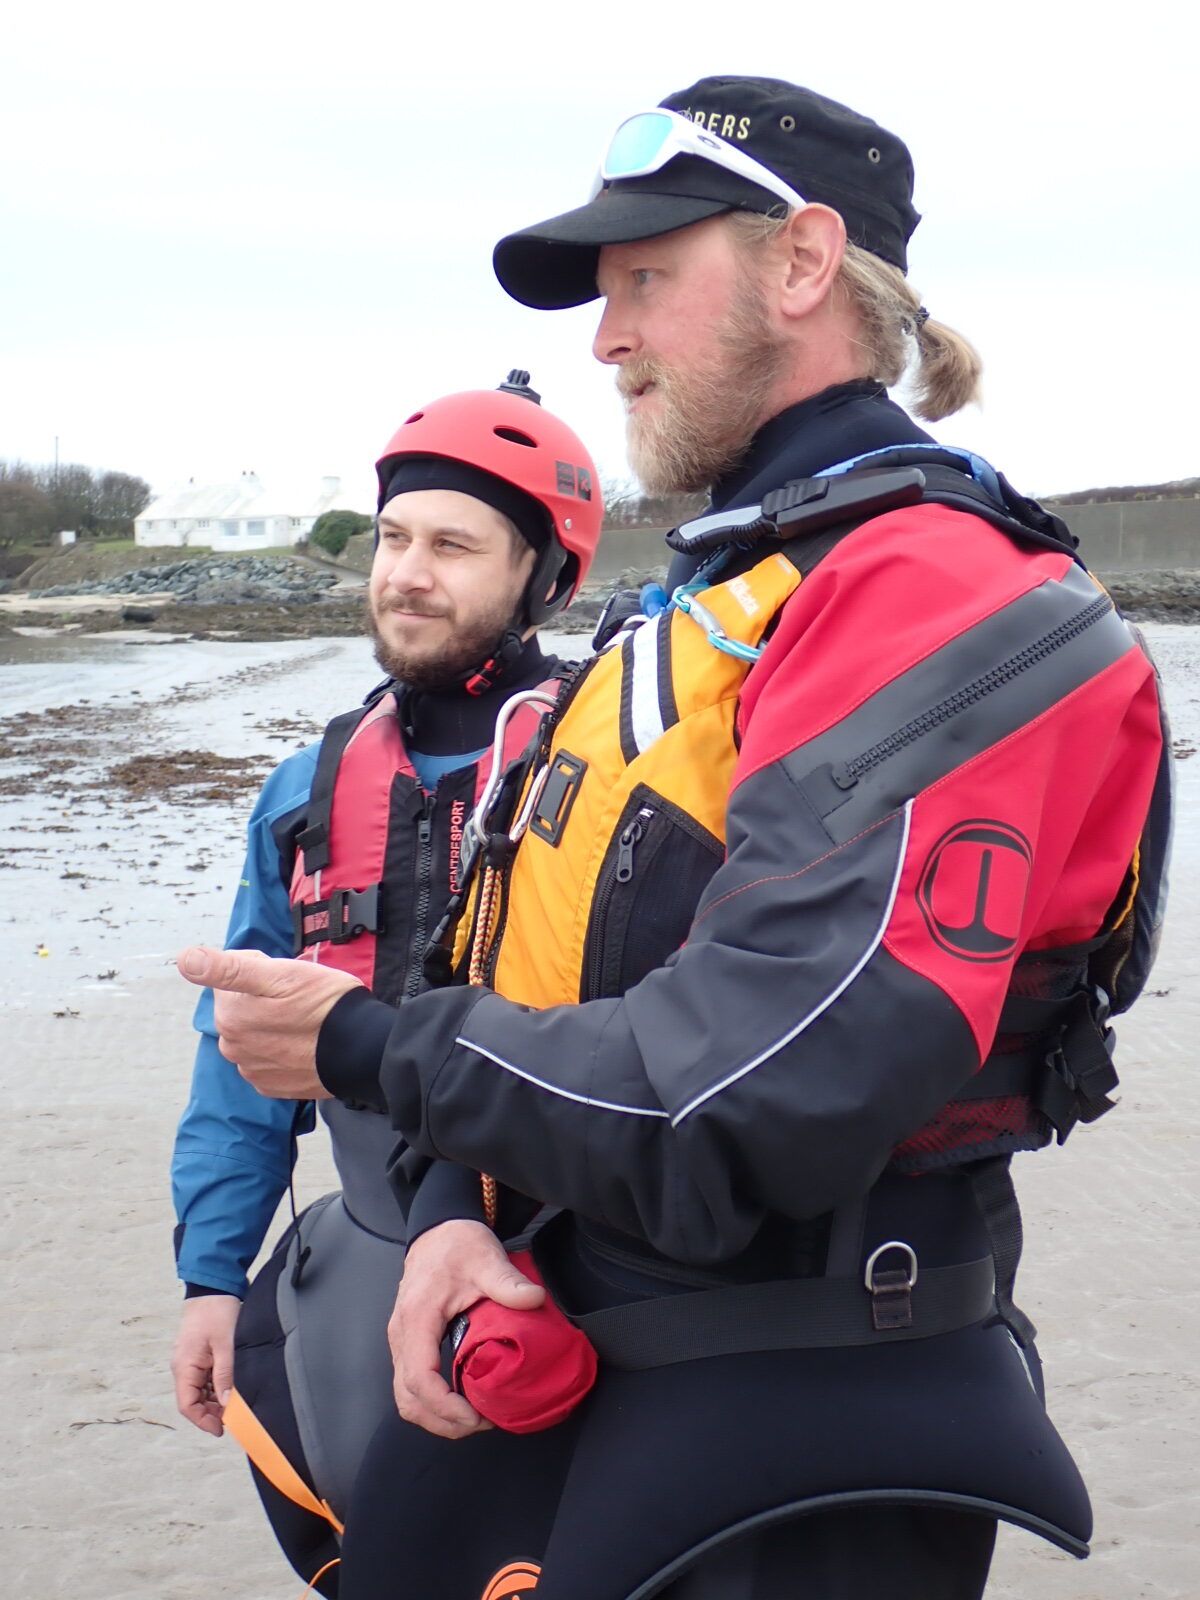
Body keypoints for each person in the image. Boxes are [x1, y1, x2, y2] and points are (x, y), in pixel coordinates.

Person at [181, 77, 1169, 1600]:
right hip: (586, 1339)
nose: (607, 337)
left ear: (803, 265)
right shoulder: (712, 602)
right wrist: (459, 1213)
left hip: (802, 1406)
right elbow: (554, 960)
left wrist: (370, 1051)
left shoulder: (934, 595)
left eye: (646, 277)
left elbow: (758, 1086)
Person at [169, 372, 603, 1596]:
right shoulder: (305, 797)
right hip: (361, 1259)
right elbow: (238, 1056)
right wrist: (212, 1277)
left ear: (543, 576)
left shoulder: (620, 768)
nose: (407, 573)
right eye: (394, 537)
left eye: (453, 545)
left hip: (581, 1267)